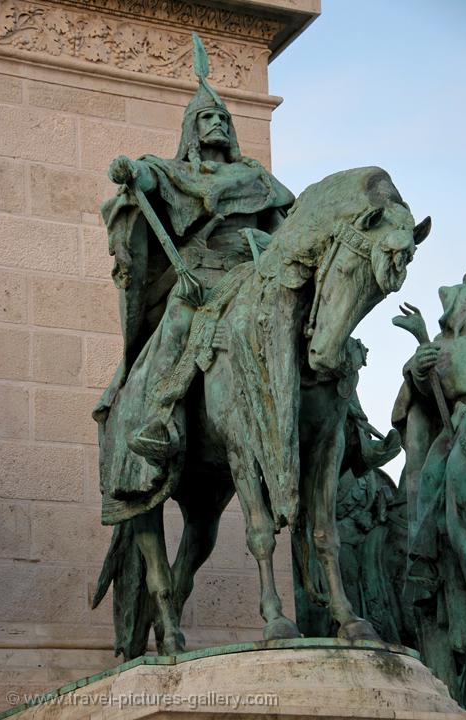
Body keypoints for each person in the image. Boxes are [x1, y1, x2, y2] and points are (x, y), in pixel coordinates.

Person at [93, 34, 295, 525]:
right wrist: (131, 169)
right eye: (207, 118)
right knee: (180, 325)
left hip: (251, 274)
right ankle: (159, 418)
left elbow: (283, 228)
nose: (218, 123)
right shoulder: (179, 171)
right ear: (192, 129)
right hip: (199, 280)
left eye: (223, 118)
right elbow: (148, 176)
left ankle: (344, 424)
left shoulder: (258, 177)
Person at [392, 256, 466, 706]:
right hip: (461, 427)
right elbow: (430, 389)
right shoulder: (451, 341)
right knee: (435, 473)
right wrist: (421, 357)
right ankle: (424, 555)